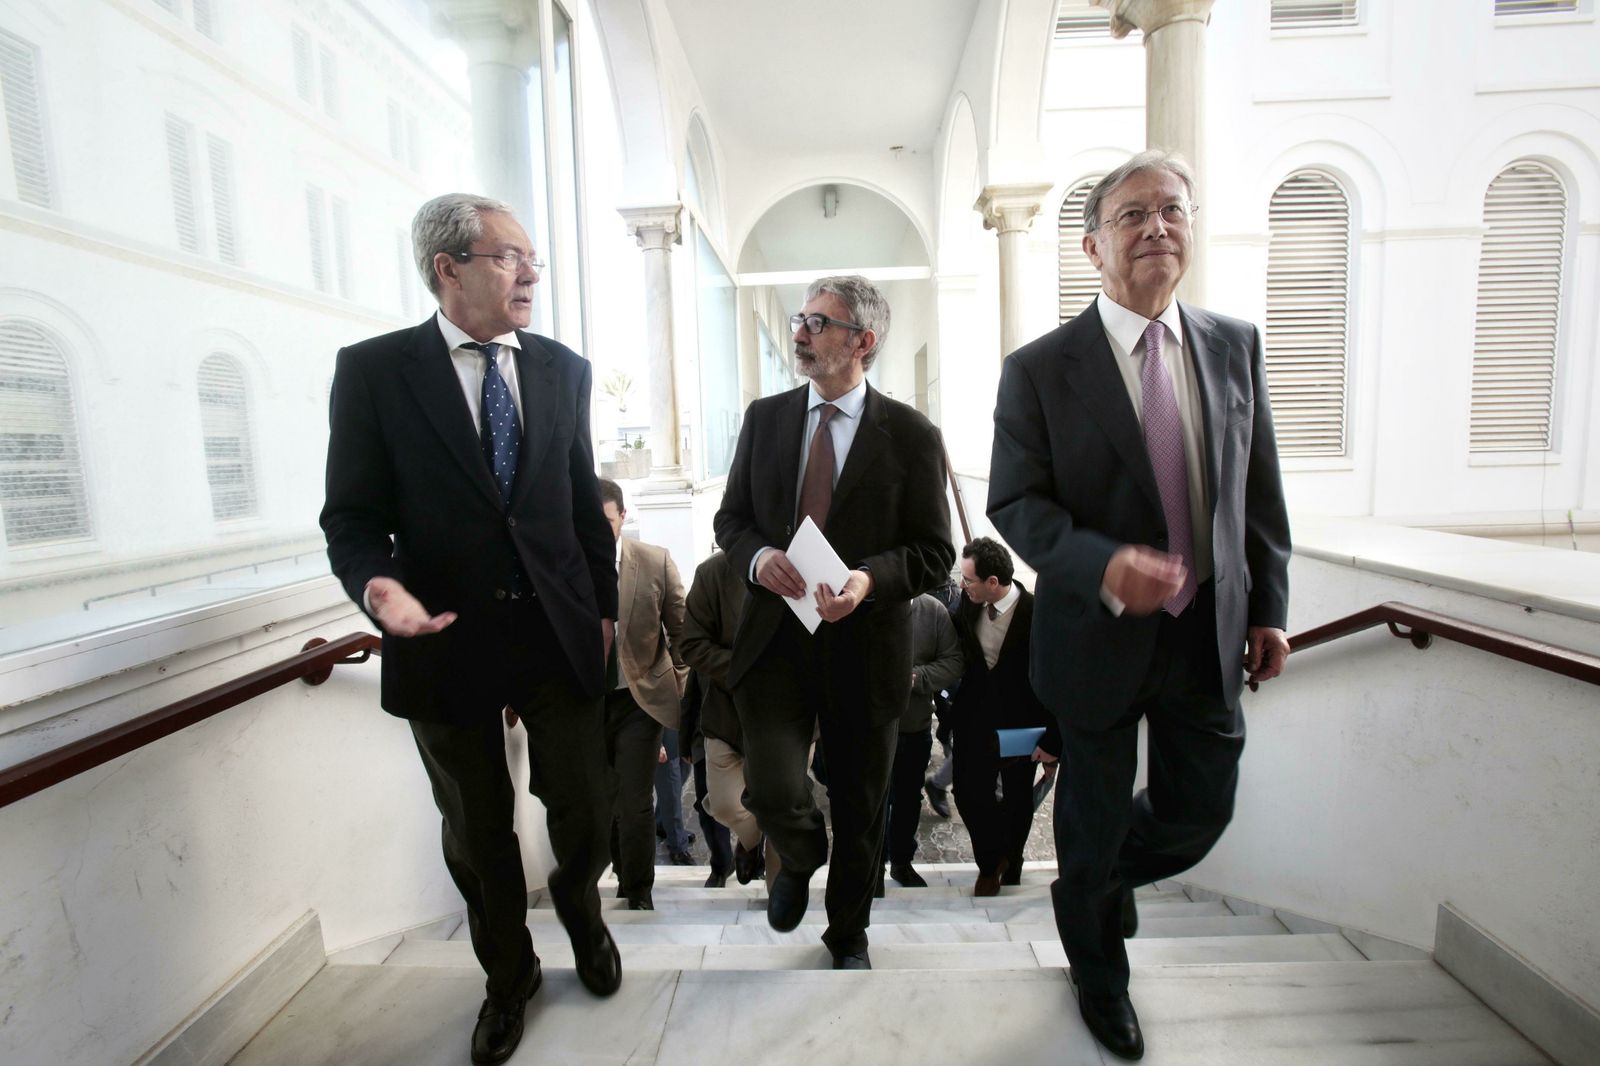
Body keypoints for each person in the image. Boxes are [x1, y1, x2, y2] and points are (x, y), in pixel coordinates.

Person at [988, 150, 1292, 1060]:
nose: (1158, 226)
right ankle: (1100, 975)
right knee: (1090, 808)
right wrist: (1103, 564)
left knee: (1202, 811)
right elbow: (1017, 506)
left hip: (1208, 630)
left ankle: (1090, 883)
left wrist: (1269, 605)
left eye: (1173, 209)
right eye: (1133, 214)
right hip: (1096, 636)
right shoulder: (1040, 369)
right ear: (1091, 245)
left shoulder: (1234, 342)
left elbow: (1258, 492)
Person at [320, 193, 621, 1066]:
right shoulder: (374, 371)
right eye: (507, 257)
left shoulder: (563, 368)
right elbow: (351, 517)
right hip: (441, 636)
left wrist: (601, 611)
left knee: (588, 807)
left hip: (558, 631)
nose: (529, 274)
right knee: (478, 830)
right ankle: (508, 976)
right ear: (447, 269)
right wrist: (378, 588)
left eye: (533, 259)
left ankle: (584, 909)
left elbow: (578, 502)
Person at [714, 274, 955, 970]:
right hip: (774, 643)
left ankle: (847, 933)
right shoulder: (764, 419)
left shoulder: (911, 436)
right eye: (801, 319)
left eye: (819, 323)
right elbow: (731, 521)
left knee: (861, 807)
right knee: (773, 783)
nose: (801, 333)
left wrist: (869, 579)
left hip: (866, 648)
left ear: (863, 341)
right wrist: (758, 558)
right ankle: (799, 850)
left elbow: (935, 551)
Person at [949, 537, 1059, 896]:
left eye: (968, 580)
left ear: (992, 583)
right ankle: (990, 860)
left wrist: (1053, 740)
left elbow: (1057, 678)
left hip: (1023, 724)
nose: (962, 586)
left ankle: (1011, 861)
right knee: (967, 793)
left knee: (1017, 799)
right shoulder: (967, 606)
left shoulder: (1038, 613)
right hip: (974, 720)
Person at [597, 477, 689, 908]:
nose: (598, 530)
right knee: (604, 798)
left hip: (641, 700)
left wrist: (681, 687)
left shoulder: (653, 562)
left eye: (607, 521)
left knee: (633, 798)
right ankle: (621, 871)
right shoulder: (566, 564)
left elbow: (683, 632)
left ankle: (639, 890)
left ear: (622, 517)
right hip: (588, 701)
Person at [678, 548, 768, 886]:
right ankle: (742, 849)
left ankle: (777, 894)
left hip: (788, 717)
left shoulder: (802, 561)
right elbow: (691, 650)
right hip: (723, 719)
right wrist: (747, 669)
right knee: (722, 804)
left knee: (781, 806)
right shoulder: (713, 573)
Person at [881, 592, 963, 891]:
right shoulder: (865, 604)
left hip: (913, 728)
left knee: (907, 800)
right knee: (872, 801)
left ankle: (901, 862)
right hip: (870, 729)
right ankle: (871, 867)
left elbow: (953, 661)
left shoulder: (933, 611)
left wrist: (916, 678)